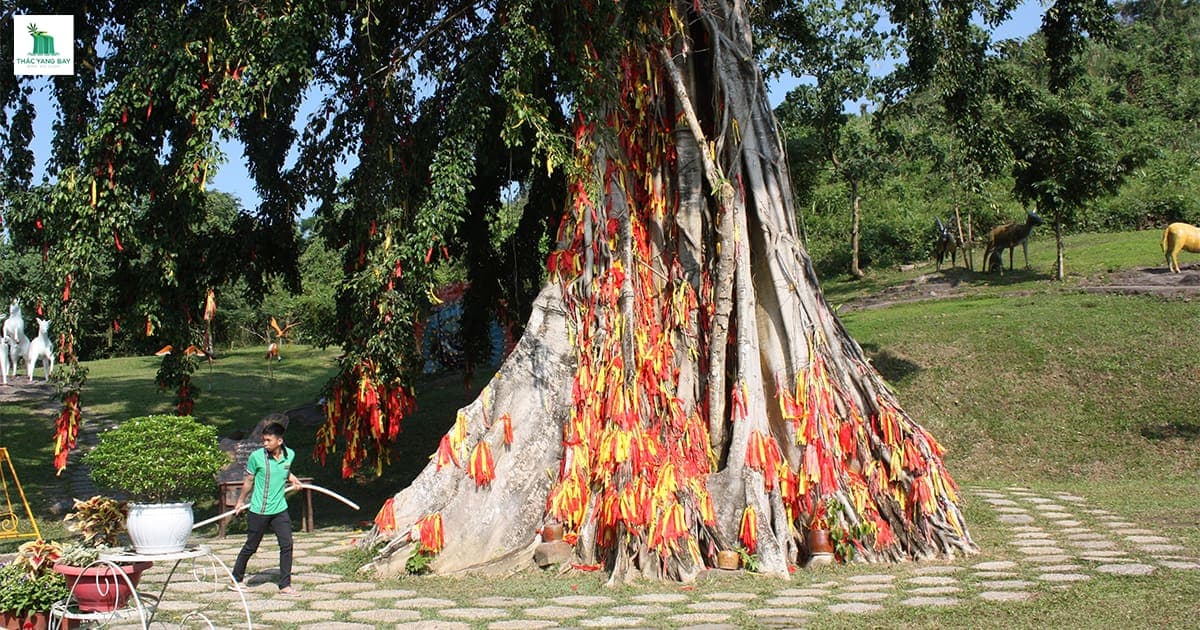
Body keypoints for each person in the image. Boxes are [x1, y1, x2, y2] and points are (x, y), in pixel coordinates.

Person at [230, 421, 302, 596]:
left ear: (279, 441)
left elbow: (284, 470)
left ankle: (285, 585)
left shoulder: (290, 454)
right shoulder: (257, 457)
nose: (265, 443)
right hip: (259, 510)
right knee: (251, 547)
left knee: (287, 545)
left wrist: (293, 478)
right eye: (264, 440)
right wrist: (240, 501)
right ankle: (236, 579)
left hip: (279, 509)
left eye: (268, 440)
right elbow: (249, 481)